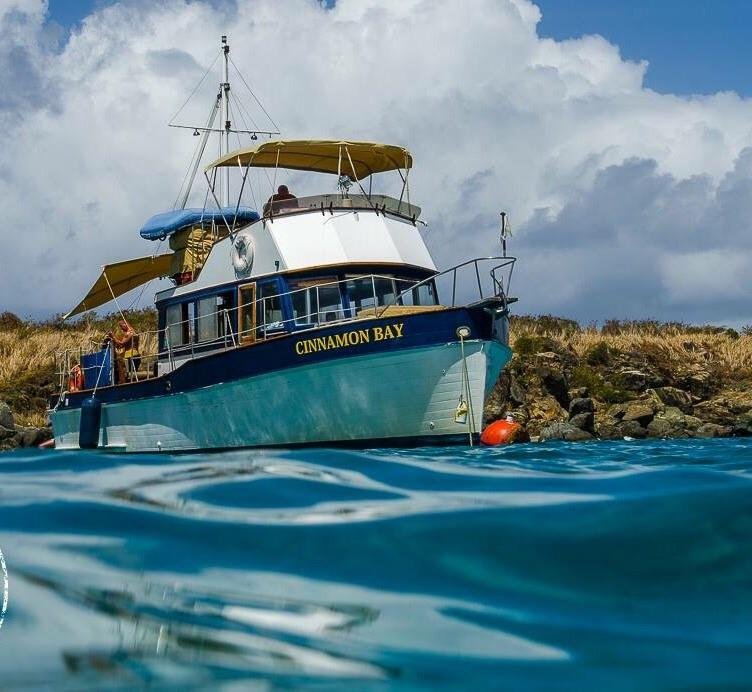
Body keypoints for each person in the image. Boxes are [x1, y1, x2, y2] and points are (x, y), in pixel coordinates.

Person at [109, 319, 140, 384]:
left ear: (125, 324)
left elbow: (121, 344)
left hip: (130, 355)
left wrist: (113, 337)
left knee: (118, 360)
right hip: (137, 355)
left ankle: (122, 382)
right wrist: (115, 342)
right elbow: (121, 346)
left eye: (121, 326)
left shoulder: (129, 333)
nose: (121, 329)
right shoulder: (134, 332)